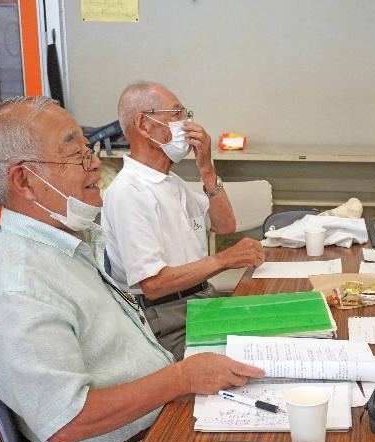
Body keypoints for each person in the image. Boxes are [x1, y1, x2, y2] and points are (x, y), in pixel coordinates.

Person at [0, 96, 264, 442]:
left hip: (155, 421)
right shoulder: (18, 288)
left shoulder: (65, 246)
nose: (95, 163)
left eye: (88, 148)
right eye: (76, 155)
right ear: (25, 181)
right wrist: (182, 378)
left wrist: (181, 379)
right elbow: (67, 420)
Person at [102, 82, 265, 361]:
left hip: (200, 301)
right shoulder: (129, 191)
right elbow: (153, 283)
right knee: (252, 360)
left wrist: (207, 169)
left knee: (273, 334)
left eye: (186, 114)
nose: (187, 124)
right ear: (143, 124)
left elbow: (224, 225)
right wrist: (223, 260)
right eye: (176, 114)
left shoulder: (171, 182)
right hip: (165, 319)